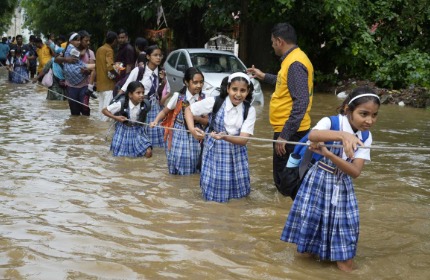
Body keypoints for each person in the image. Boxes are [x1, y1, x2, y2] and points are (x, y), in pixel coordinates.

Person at [280, 87, 380, 272]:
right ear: (347, 109)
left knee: (346, 249)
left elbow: (355, 172)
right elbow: (313, 135)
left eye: (374, 115)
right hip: (317, 182)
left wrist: (329, 154)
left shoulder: (366, 136)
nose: (369, 120)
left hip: (342, 187)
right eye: (364, 114)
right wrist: (343, 136)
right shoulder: (332, 122)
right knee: (307, 244)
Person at [247, 22, 314, 197]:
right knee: (288, 179)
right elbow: (284, 82)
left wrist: (285, 135)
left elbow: (301, 103)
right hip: (291, 130)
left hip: (291, 132)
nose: (272, 46)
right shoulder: (294, 60)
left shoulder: (295, 64)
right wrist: (263, 76)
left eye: (272, 42)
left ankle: (284, 217)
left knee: (285, 183)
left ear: (279, 41)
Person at [184, 72, 256, 202]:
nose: (238, 94)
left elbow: (243, 140)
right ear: (228, 88)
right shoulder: (215, 102)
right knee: (214, 192)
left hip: (237, 152)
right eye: (234, 89)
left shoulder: (249, 110)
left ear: (248, 91)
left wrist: (224, 137)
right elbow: (189, 110)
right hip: (215, 151)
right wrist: (192, 129)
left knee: (239, 193)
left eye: (243, 90)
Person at [150, 67, 208, 175]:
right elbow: (164, 111)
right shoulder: (178, 97)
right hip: (179, 133)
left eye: (201, 82)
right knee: (178, 160)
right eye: (195, 82)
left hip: (196, 134)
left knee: (195, 161)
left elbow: (207, 121)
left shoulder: (204, 99)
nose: (199, 85)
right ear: (186, 82)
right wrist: (155, 121)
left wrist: (197, 119)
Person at [120, 45, 170, 148]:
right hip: (139, 106)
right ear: (148, 56)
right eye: (155, 55)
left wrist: (161, 102)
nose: (158, 58)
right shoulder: (139, 71)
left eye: (160, 55)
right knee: (137, 132)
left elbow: (168, 91)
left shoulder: (162, 73)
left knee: (155, 134)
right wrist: (116, 104)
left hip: (154, 108)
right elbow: (125, 88)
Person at [102, 81, 152, 158]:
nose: (141, 95)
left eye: (143, 92)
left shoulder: (145, 105)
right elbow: (104, 110)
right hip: (123, 131)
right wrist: (116, 118)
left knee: (148, 152)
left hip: (138, 131)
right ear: (130, 95)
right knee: (121, 157)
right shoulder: (121, 104)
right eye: (138, 93)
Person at [60, 32, 95, 116]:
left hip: (84, 86)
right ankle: (76, 128)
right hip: (71, 87)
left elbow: (92, 69)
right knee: (74, 112)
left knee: (85, 110)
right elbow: (56, 59)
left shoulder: (90, 53)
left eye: (88, 41)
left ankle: (84, 127)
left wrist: (87, 71)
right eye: (86, 41)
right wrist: (66, 59)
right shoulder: (70, 50)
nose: (88, 43)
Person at [95, 31, 118, 121]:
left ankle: (100, 126)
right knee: (107, 108)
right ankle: (104, 128)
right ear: (114, 40)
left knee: (101, 107)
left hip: (100, 83)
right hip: (108, 84)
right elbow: (109, 66)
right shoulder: (109, 50)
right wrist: (117, 75)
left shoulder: (99, 49)